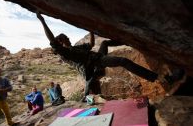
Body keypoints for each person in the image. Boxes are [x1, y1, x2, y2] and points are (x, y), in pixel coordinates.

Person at [36, 12, 185, 100]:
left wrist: (91, 30)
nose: (68, 40)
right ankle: (163, 78)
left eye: (68, 38)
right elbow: (52, 40)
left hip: (96, 57)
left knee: (105, 43)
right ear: (61, 42)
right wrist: (42, 20)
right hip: (94, 66)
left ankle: (129, 40)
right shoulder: (66, 54)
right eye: (66, 39)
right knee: (122, 61)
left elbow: (91, 45)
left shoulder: (76, 48)